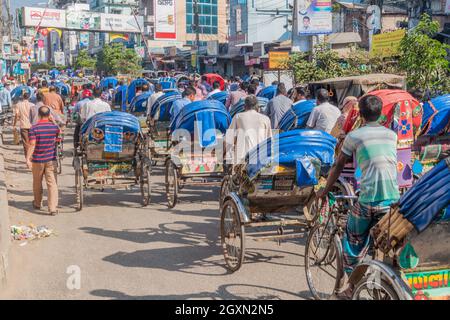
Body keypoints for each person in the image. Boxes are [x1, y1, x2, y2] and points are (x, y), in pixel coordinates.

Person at [317, 95, 400, 299]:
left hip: (369, 200)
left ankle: (351, 287)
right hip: (393, 200)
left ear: (360, 115)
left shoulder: (355, 136)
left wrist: (324, 190)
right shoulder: (391, 135)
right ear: (380, 114)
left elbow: (339, 164)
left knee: (353, 241)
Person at [27, 106, 61, 215]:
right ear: (49, 114)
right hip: (51, 159)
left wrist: (28, 158)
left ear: (39, 114)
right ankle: (52, 208)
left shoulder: (34, 128)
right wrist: (53, 121)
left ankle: (37, 203)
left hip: (37, 160)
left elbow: (32, 144)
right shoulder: (54, 127)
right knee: (52, 183)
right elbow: (59, 133)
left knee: (37, 182)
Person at [225, 95, 272, 165]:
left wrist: (228, 157)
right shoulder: (266, 119)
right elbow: (269, 142)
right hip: (260, 161)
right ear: (257, 107)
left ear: (244, 106)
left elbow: (229, 139)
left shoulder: (238, 117)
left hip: (241, 161)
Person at [13, 92, 34, 157]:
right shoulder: (32, 105)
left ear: (22, 97)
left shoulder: (18, 105)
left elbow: (16, 115)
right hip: (32, 126)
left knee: (25, 143)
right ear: (29, 97)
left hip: (23, 125)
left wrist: (14, 124)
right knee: (32, 142)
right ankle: (31, 157)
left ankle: (27, 158)